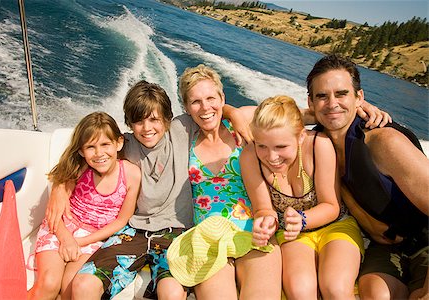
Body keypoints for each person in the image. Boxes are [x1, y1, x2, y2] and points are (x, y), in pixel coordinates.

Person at [46, 81, 251, 300]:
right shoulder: (124, 145)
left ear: (167, 118)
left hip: (176, 234)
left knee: (171, 292)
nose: (147, 128)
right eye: (138, 121)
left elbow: (210, 110)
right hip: (132, 231)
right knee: (83, 284)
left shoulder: (182, 129)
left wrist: (234, 114)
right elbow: (84, 159)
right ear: (130, 124)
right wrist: (60, 187)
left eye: (154, 119)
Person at [306, 54, 429, 299]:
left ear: (359, 97)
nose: (332, 103)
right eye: (322, 96)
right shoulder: (318, 142)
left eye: (342, 94)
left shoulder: (385, 142)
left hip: (425, 243)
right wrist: (312, 115)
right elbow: (261, 118)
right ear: (310, 102)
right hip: (387, 249)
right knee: (375, 294)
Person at [167, 64, 282, 300]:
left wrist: (358, 106)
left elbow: (295, 114)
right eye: (195, 101)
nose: (205, 107)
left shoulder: (244, 122)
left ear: (222, 98)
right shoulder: (183, 135)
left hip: (253, 230)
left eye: (211, 98)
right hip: (206, 238)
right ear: (187, 108)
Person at [240, 95, 364, 299]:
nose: (271, 157)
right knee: (300, 290)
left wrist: (303, 219)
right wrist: (265, 223)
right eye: (262, 146)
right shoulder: (249, 157)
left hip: (336, 226)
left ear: (300, 137)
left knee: (336, 287)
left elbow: (331, 206)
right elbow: (263, 208)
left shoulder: (318, 146)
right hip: (292, 235)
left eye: (281, 147)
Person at [28, 112, 141, 300]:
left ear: (118, 143)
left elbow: (121, 220)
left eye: (105, 144)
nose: (99, 153)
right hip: (60, 230)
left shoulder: (131, 174)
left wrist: (78, 243)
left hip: (94, 239)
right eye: (90, 147)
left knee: (70, 288)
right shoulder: (80, 168)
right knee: (49, 283)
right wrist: (66, 239)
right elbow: (55, 211)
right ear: (81, 151)